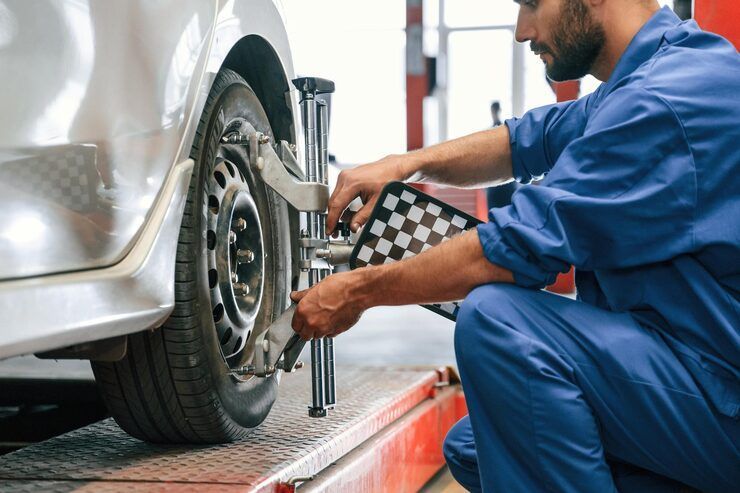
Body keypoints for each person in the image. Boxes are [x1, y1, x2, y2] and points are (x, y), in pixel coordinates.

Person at [290, 0, 740, 491]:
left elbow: (508, 248)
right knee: (480, 444)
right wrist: (403, 165)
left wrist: (359, 291)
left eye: (531, 4)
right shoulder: (660, 71)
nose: (522, 31)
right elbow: (526, 140)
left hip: (722, 395)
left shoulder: (663, 100)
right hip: (693, 371)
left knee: (500, 323)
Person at [486, 101, 521, 209]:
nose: (494, 113)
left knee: (507, 209)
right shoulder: (491, 133)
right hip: (495, 182)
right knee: (495, 211)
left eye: (495, 111)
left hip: (506, 181)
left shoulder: (506, 130)